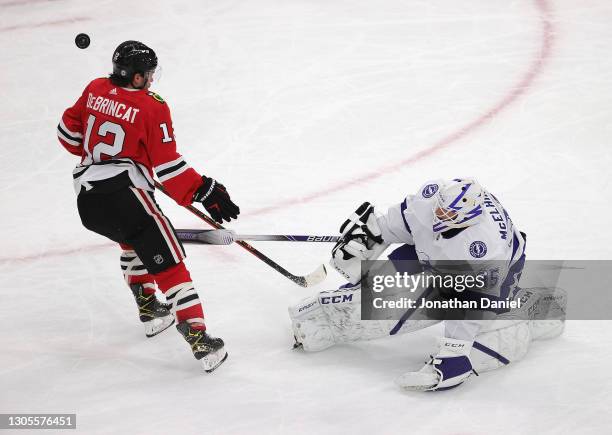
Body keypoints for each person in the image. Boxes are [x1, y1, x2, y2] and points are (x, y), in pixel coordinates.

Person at [57, 40, 240, 372]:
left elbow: (68, 136)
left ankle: (150, 308)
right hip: (125, 195)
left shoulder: (95, 87)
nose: (152, 80)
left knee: (134, 240)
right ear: (138, 78)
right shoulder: (152, 106)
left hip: (88, 199)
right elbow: (168, 167)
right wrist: (205, 190)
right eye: (149, 74)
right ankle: (200, 340)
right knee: (171, 264)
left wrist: (115, 153)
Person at [289, 178, 565, 390]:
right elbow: (400, 224)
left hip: (498, 275)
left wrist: (455, 350)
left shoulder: (484, 250)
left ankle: (521, 312)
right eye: (440, 211)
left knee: (470, 316)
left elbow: (471, 303)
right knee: (388, 283)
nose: (439, 217)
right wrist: (368, 238)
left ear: (467, 219)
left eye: (447, 216)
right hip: (443, 253)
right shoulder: (435, 199)